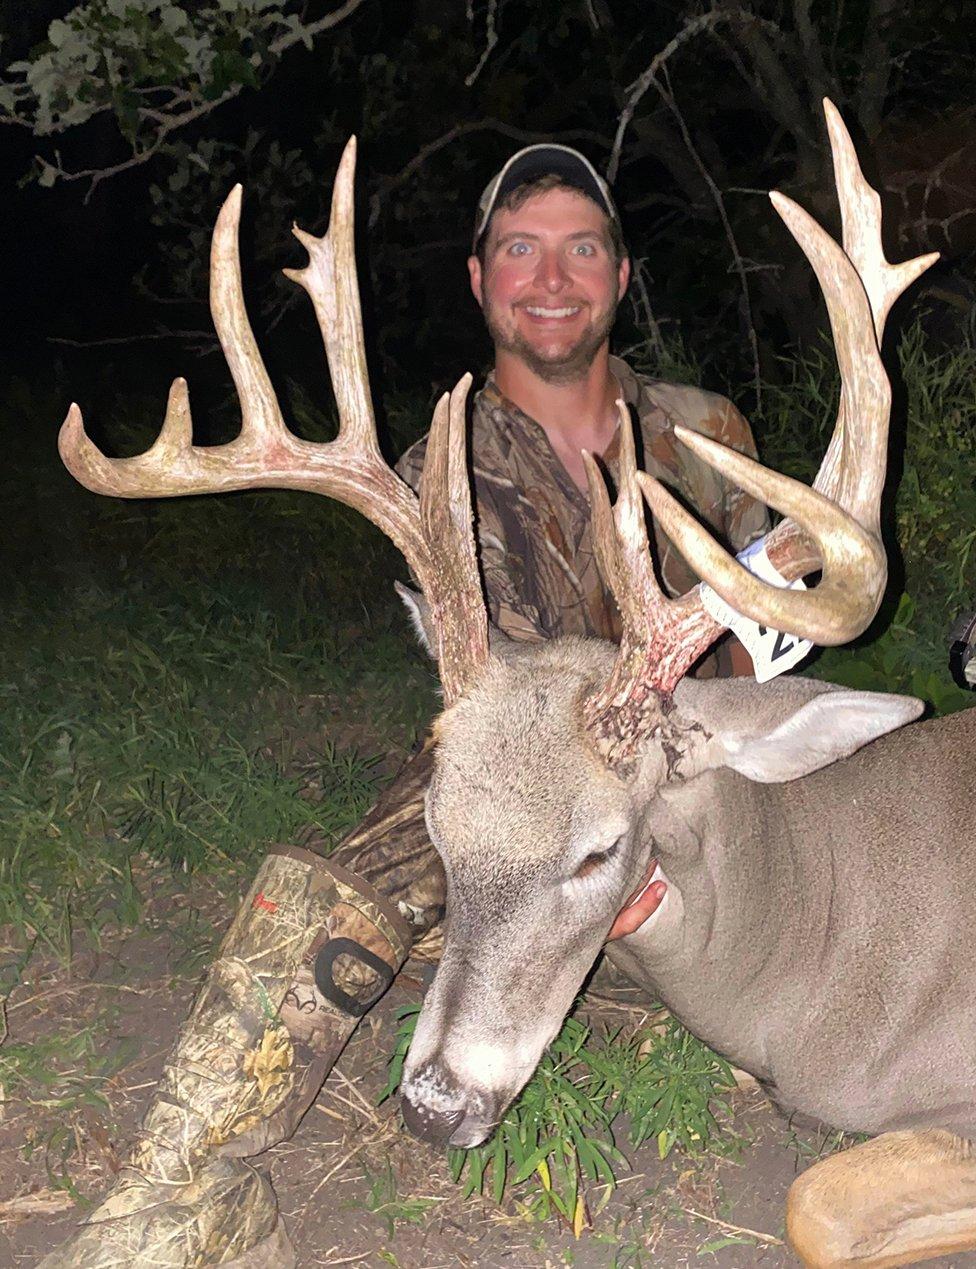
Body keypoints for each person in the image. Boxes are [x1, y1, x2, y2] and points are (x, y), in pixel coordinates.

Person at [44, 144, 772, 1268]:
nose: (551, 277)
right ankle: (183, 1193)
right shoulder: (446, 455)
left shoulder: (708, 430)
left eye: (583, 248)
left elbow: (761, 619)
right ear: (480, 281)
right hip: (528, 779)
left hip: (694, 785)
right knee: (388, 846)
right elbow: (501, 691)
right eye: (519, 250)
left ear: (621, 278)